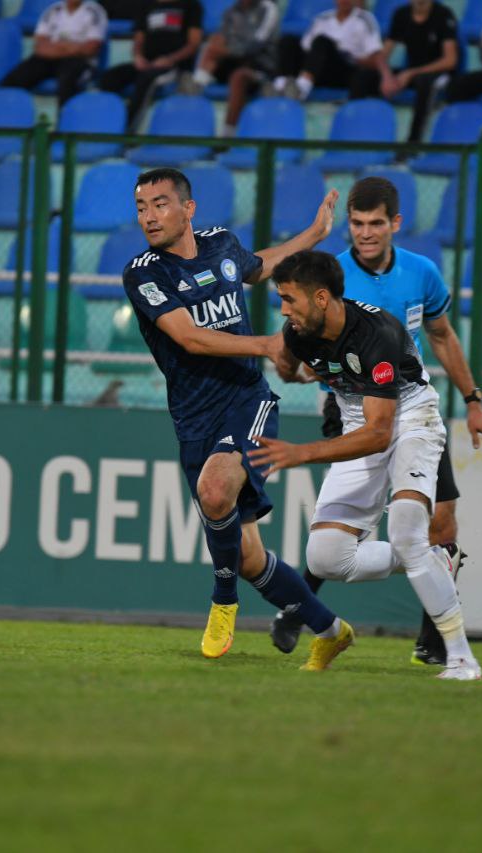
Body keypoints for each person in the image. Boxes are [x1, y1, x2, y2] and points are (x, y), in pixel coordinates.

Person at [121, 167, 354, 670]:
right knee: (248, 557)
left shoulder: (221, 244)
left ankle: (222, 601)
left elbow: (258, 265)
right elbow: (190, 338)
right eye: (141, 207)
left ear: (188, 208)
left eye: (160, 204)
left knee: (214, 491)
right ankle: (331, 629)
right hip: (193, 419)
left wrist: (315, 234)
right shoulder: (143, 273)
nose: (149, 217)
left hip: (247, 400)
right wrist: (267, 344)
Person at [267, 177, 482, 666]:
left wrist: (473, 399)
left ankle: (440, 646)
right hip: (350, 406)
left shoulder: (420, 274)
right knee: (334, 551)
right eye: (356, 223)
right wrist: (295, 364)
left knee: (435, 522)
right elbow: (295, 357)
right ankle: (308, 604)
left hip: (410, 409)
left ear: (395, 223)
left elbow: (442, 336)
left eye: (375, 223)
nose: (366, 233)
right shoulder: (322, 281)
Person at [99, 0, 204, 131]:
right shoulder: (146, 5)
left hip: (174, 66)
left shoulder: (192, 5)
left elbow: (194, 44)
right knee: (109, 78)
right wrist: (138, 57)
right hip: (147, 63)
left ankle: (127, 130)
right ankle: (107, 125)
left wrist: (170, 59)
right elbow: (139, 39)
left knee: (146, 80)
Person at [180, 0, 280, 136]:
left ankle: (228, 134)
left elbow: (256, 45)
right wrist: (219, 45)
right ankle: (197, 86)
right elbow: (223, 38)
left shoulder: (269, 8)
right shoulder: (231, 11)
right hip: (233, 61)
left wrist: (228, 51)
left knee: (238, 76)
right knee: (214, 43)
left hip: (260, 67)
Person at [368, 0, 460, 142]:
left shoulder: (444, 15)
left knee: (425, 83)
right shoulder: (401, 14)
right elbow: (382, 55)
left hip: (439, 73)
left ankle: (413, 142)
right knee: (367, 76)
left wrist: (411, 73)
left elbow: (450, 60)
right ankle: (366, 134)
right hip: (411, 72)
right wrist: (386, 76)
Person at [270, 0, 387, 102]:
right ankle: (280, 85)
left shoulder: (365, 19)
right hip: (317, 67)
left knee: (323, 42)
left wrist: (352, 58)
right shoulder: (322, 18)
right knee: (288, 41)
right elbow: (305, 48)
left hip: (344, 69)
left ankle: (302, 89)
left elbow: (375, 56)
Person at [0, 0, 109, 105]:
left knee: (68, 81)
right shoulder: (53, 10)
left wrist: (55, 46)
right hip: (49, 59)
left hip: (79, 61)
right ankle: (8, 115)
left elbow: (90, 49)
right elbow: (39, 47)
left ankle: (66, 117)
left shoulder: (94, 11)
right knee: (13, 80)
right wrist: (70, 47)